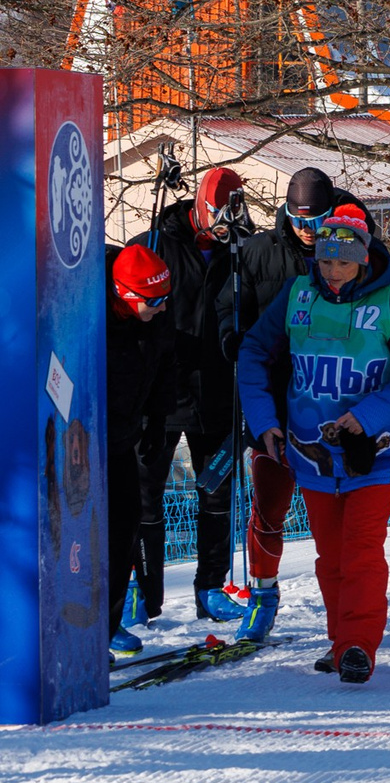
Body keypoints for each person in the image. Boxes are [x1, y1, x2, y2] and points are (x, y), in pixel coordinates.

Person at [235, 206, 390, 683]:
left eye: (342, 262)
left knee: (362, 551)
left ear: (363, 259)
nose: (332, 272)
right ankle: (340, 640)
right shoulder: (297, 294)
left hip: (375, 452)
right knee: (330, 556)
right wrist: (264, 421)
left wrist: (368, 416)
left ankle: (358, 645)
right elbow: (253, 352)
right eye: (325, 261)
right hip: (309, 453)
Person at [230, 167, 374, 638]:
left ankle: (351, 621)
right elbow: (234, 327)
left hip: (336, 406)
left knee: (345, 526)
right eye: (298, 220)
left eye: (317, 222)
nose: (308, 232)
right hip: (277, 404)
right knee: (270, 504)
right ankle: (264, 595)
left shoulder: (356, 249)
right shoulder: (258, 253)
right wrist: (241, 351)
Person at [133, 166, 250, 623]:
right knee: (144, 496)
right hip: (161, 393)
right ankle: (144, 596)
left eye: (233, 215)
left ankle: (211, 587)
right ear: (202, 209)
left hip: (217, 392)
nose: (226, 226)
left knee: (217, 494)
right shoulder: (156, 244)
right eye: (220, 216)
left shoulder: (238, 247)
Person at [105, 244, 176, 658]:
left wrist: (158, 421)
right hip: (82, 439)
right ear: (124, 295)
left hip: (124, 435)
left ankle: (107, 628)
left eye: (167, 298)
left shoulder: (155, 317)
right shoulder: (90, 312)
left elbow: (166, 365)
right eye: (154, 301)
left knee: (126, 527)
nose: (163, 308)